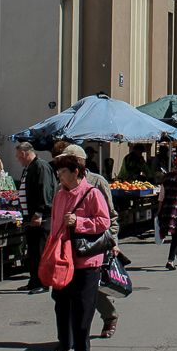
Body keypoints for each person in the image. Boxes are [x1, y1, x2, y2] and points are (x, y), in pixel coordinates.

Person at [54, 143, 121, 338]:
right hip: (67, 251)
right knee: (66, 296)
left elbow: (110, 215)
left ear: (79, 163)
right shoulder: (62, 186)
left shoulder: (97, 183)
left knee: (93, 290)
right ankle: (68, 337)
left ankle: (109, 316)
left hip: (93, 246)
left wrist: (113, 241)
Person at [14, 142, 57, 294]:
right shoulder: (29, 168)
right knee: (33, 252)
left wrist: (39, 212)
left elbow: (45, 191)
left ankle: (43, 282)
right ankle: (34, 281)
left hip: (41, 218)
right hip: (30, 218)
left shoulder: (40, 167)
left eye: (19, 156)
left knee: (40, 251)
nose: (18, 159)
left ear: (25, 153)